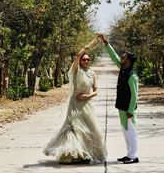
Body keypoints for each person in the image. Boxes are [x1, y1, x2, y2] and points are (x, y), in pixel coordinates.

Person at [43, 37, 106, 164]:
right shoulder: (75, 70)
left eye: (88, 59)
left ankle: (85, 154)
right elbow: (78, 54)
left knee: (89, 129)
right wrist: (92, 43)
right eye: (84, 59)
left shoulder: (92, 73)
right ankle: (74, 154)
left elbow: (96, 90)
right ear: (80, 61)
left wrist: (88, 96)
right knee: (75, 128)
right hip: (75, 103)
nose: (86, 61)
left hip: (87, 104)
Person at [98, 33, 139, 164]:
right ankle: (129, 154)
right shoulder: (122, 69)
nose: (121, 57)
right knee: (125, 132)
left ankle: (134, 156)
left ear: (128, 60)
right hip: (121, 107)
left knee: (131, 133)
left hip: (128, 110)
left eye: (124, 56)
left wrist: (131, 110)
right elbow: (114, 56)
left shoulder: (132, 76)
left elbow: (134, 95)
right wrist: (106, 43)